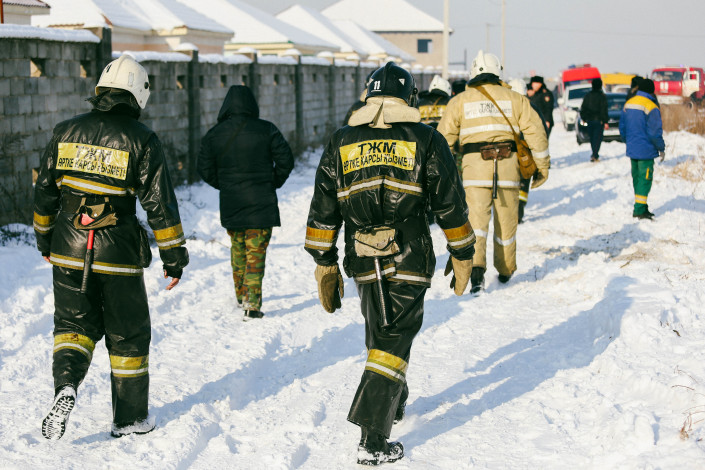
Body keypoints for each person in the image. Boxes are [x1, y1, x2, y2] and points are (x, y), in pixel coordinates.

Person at [304, 62, 476, 465]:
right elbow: (449, 203)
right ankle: (373, 440)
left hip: (363, 257)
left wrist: (324, 261)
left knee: (383, 333)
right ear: (409, 98)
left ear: (368, 96)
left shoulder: (341, 141)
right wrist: (463, 251)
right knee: (392, 338)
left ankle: (392, 401)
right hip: (410, 256)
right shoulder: (427, 139)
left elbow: (323, 208)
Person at [33, 53, 189, 440]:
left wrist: (45, 239)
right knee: (128, 335)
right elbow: (160, 205)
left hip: (68, 248)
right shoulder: (142, 139)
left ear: (101, 89)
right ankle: (130, 420)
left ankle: (66, 386)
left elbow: (44, 193)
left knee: (72, 327)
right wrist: (174, 258)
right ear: (138, 95)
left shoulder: (65, 131)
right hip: (118, 255)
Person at [438, 50, 550, 294]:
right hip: (508, 171)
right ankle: (506, 269)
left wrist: (443, 175)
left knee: (476, 224)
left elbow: (443, 140)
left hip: (474, 173)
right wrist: (542, 166)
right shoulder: (516, 99)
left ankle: (476, 273)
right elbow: (537, 132)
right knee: (506, 224)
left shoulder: (459, 101)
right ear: (498, 71)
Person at [198, 85, 294, 320]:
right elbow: (286, 160)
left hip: (232, 202)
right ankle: (251, 302)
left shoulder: (214, 134)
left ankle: (242, 295)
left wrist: (225, 185)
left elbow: (204, 169)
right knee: (255, 252)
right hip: (261, 203)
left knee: (238, 250)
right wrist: (272, 182)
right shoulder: (267, 129)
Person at [619, 78, 665, 220]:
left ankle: (642, 206)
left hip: (633, 148)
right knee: (645, 179)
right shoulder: (651, 106)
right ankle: (639, 209)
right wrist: (661, 148)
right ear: (651, 91)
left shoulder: (629, 103)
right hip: (646, 149)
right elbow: (654, 132)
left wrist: (628, 141)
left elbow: (622, 127)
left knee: (637, 178)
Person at [508, 78, 549, 224]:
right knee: (523, 184)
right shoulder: (533, 108)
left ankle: (509, 213)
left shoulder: (503, 108)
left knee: (508, 184)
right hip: (527, 153)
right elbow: (542, 132)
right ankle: (518, 214)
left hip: (506, 153)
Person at [580, 78, 609, 162]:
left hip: (589, 120)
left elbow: (583, 108)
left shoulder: (588, 96)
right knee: (597, 138)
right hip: (598, 121)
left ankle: (594, 154)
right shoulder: (602, 96)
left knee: (592, 138)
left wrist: (584, 118)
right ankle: (595, 154)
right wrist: (605, 121)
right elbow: (604, 109)